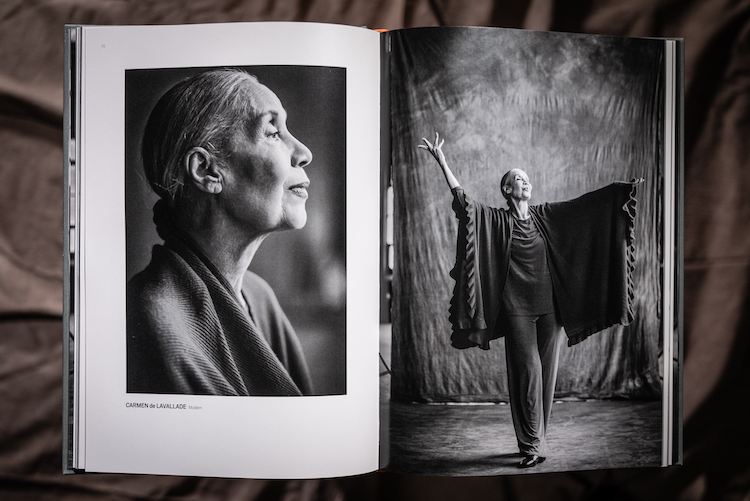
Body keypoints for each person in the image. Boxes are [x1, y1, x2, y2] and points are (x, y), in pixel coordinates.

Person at [419, 132, 640, 467]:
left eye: (526, 177)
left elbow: (584, 209)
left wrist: (619, 193)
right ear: (507, 189)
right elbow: (464, 204)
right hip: (516, 309)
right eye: (517, 178)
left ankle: (536, 438)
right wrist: (443, 162)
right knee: (528, 373)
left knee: (547, 375)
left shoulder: (545, 216)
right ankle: (531, 445)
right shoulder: (496, 220)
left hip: (550, 308)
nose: (524, 180)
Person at [127, 69, 314, 396]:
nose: (303, 152)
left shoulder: (258, 296)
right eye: (272, 132)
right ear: (207, 171)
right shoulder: (154, 320)